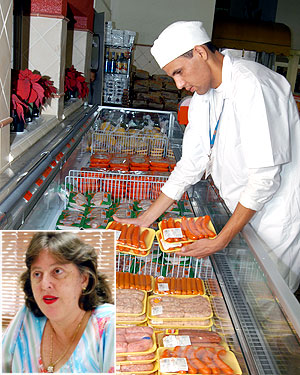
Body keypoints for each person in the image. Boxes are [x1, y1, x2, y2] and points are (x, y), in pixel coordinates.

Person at [114, 21, 300, 293]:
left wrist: (221, 239)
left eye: (179, 72)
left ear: (200, 52)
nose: (179, 84)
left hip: (273, 220)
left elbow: (265, 179)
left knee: (268, 304)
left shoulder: (254, 85)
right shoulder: (205, 94)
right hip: (240, 213)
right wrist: (145, 220)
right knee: (242, 293)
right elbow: (190, 163)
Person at [2, 232, 115, 373]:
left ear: (84, 279)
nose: (44, 284)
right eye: (37, 274)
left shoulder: (108, 325)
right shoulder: (27, 316)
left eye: (57, 271)